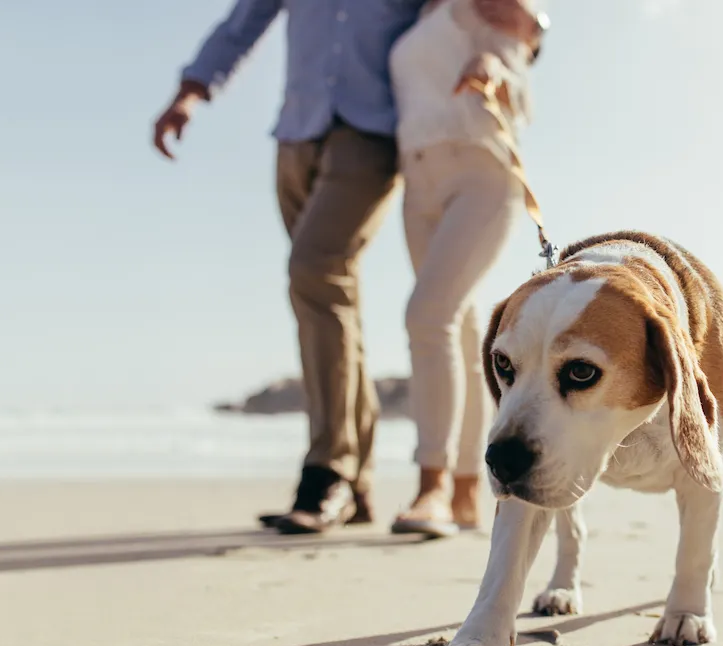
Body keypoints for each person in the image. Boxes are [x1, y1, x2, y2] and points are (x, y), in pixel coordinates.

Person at [152, 0, 537, 535]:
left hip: (372, 135)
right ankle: (360, 483)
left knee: (317, 271)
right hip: (297, 129)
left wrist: (516, 46)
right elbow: (243, 23)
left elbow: (512, 22)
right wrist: (191, 92)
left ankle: (332, 472)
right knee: (327, 298)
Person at [386, 0, 547, 537]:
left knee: (427, 316)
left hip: (481, 172)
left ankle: (430, 485)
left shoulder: (492, 6)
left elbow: (516, 60)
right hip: (418, 182)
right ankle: (464, 493)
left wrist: (494, 68)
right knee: (460, 329)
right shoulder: (414, 16)